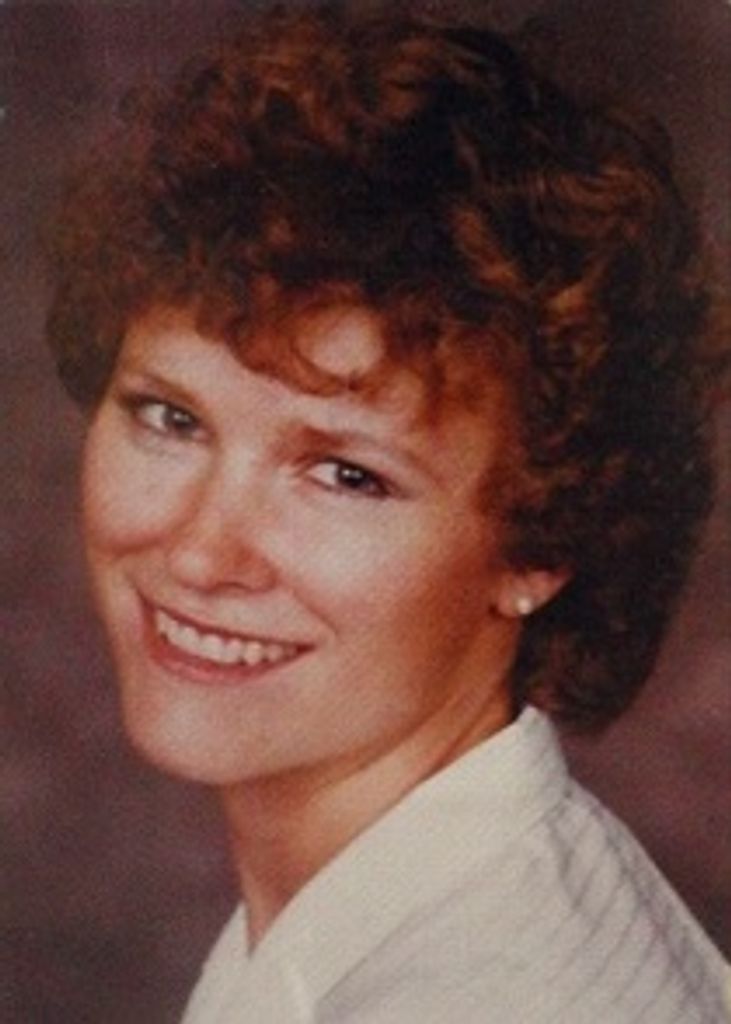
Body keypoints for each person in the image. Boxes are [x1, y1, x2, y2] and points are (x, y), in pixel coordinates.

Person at [45, 4, 728, 1021]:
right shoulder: (380, 919)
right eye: (170, 418)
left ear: (539, 543)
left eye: (344, 475)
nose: (200, 552)